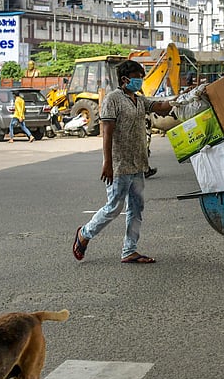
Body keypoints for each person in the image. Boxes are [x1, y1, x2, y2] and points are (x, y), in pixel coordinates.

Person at [72, 60, 174, 264]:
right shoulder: (113, 99)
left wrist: (183, 99)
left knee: (137, 207)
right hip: (119, 164)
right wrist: (107, 163)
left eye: (141, 77)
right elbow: (107, 133)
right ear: (125, 79)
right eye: (137, 77)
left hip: (137, 163)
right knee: (114, 207)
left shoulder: (139, 100)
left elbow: (161, 107)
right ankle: (84, 233)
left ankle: (130, 250)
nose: (140, 81)